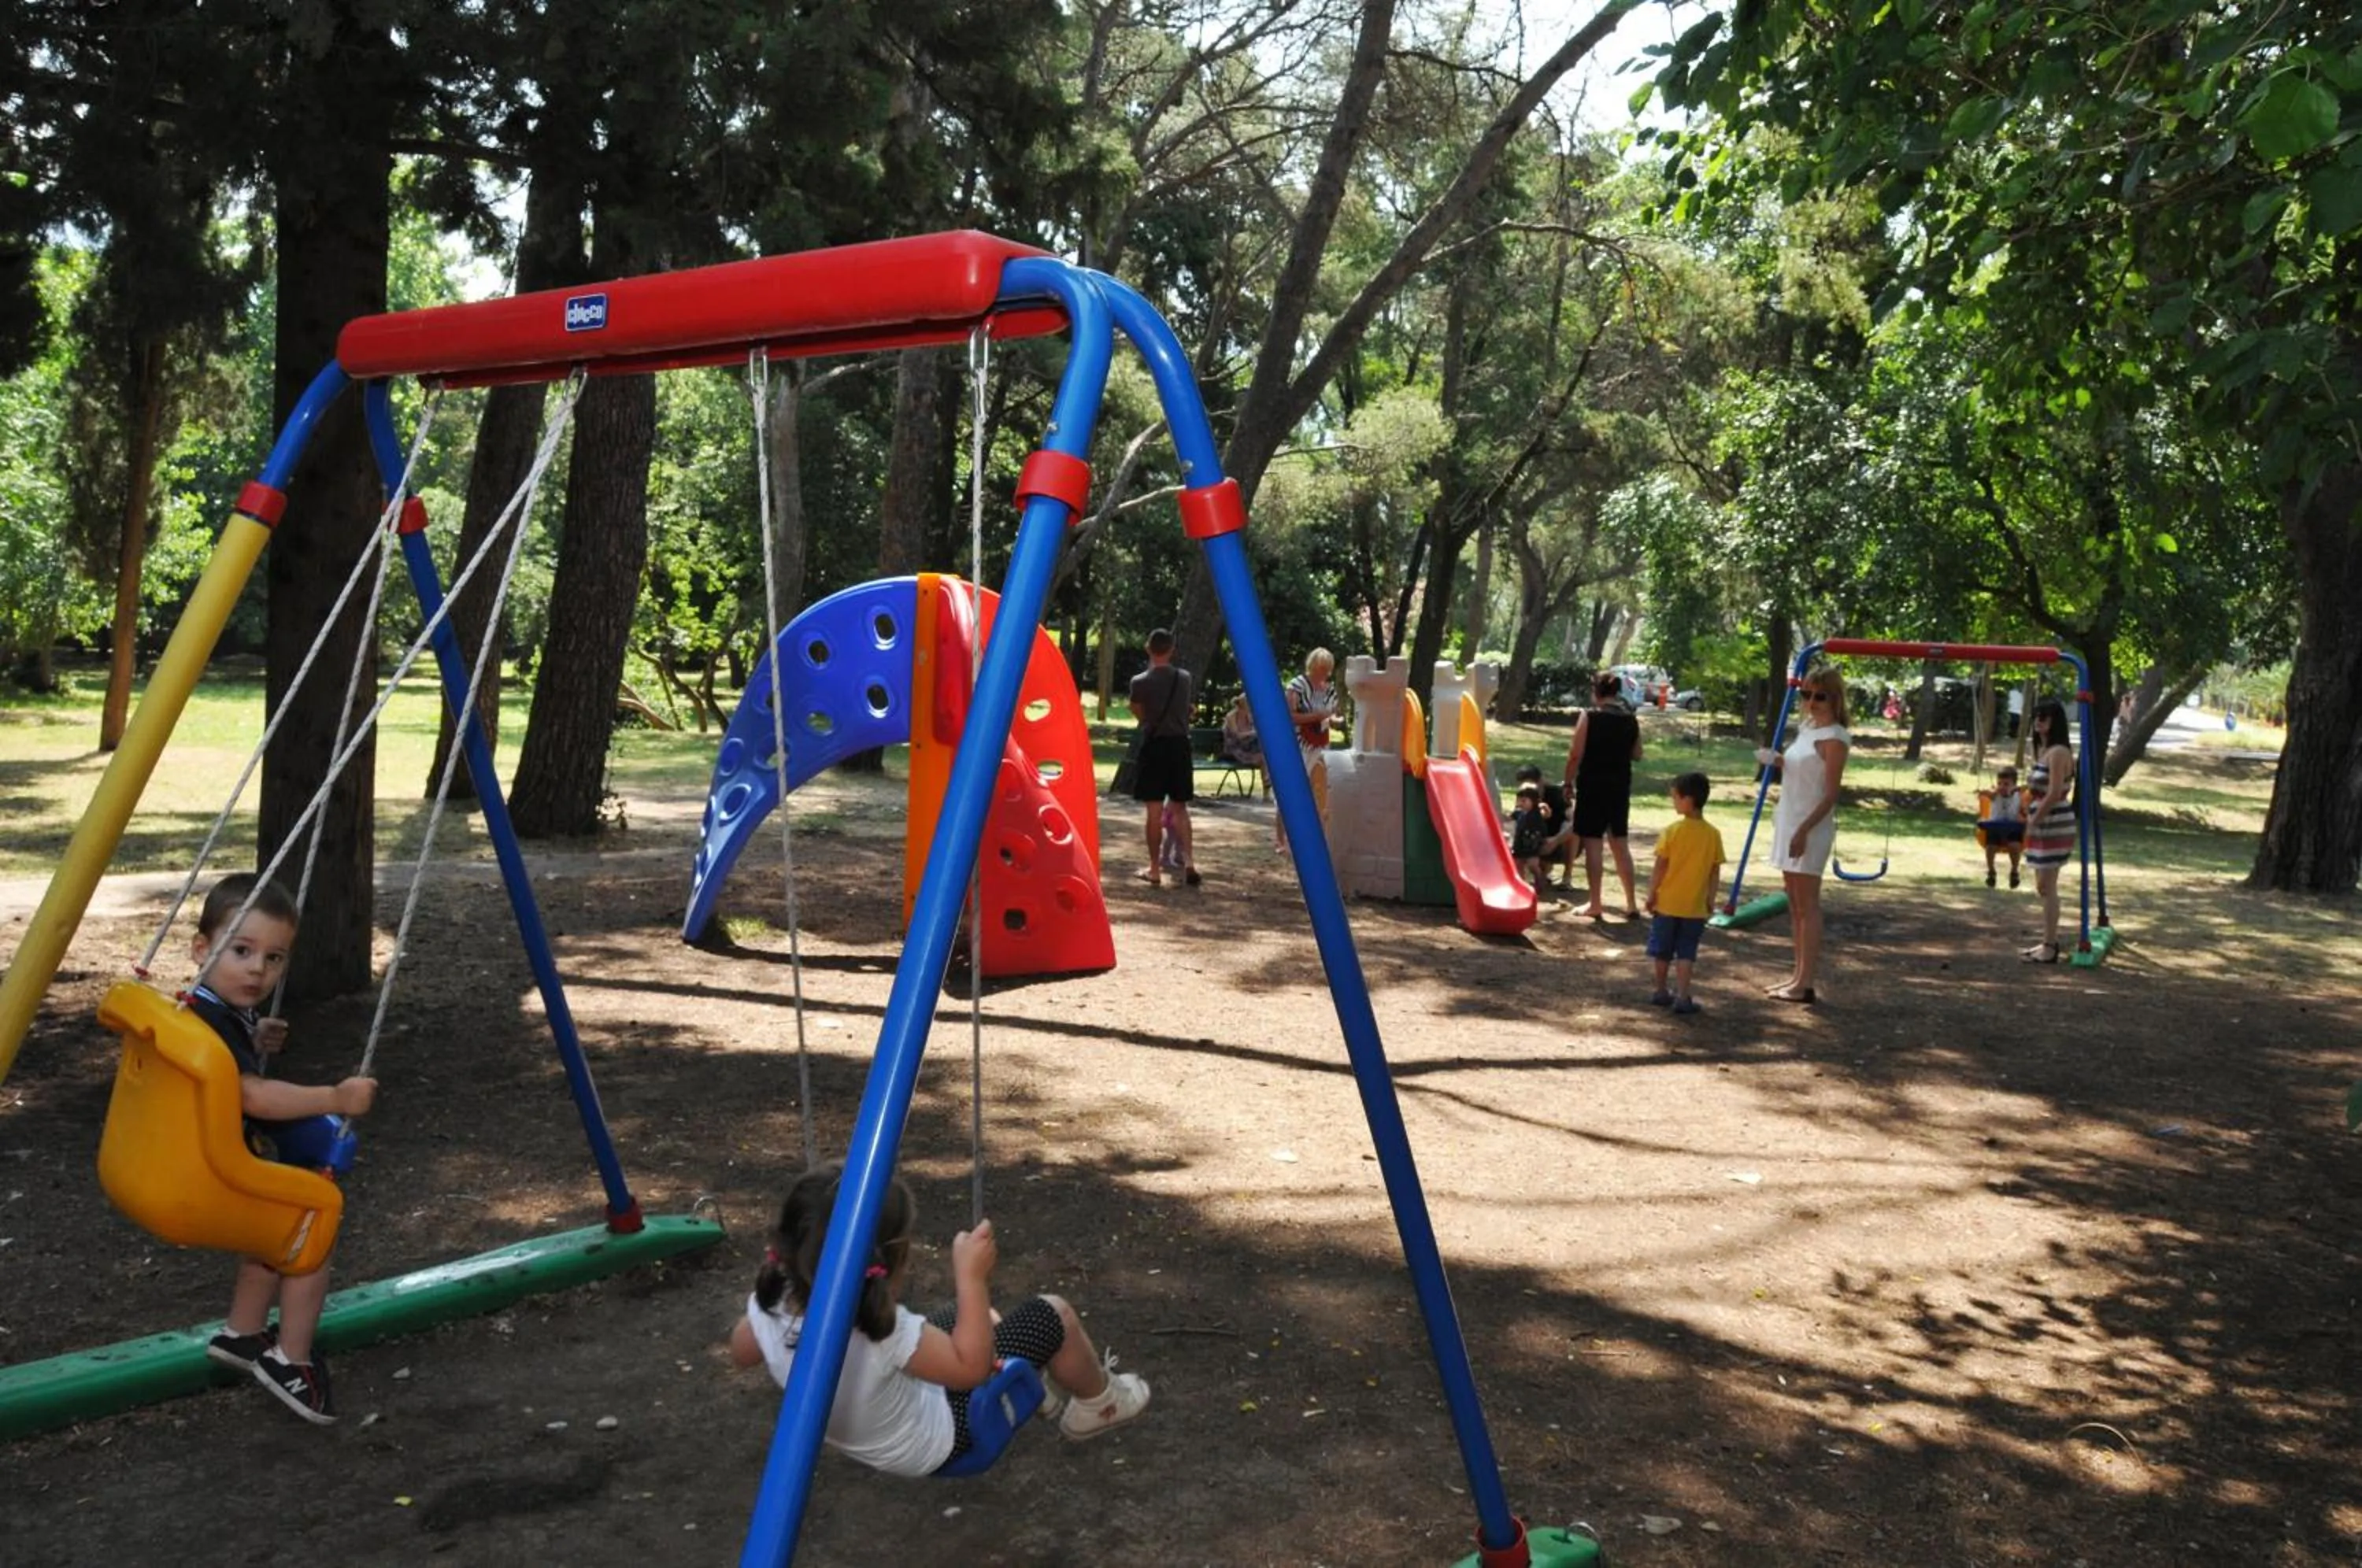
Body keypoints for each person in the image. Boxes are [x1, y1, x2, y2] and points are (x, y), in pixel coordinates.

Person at [729, 1165, 1151, 1473]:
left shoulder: (774, 1302)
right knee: (1053, 1314)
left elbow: (742, 1352)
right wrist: (970, 1276)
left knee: (980, 1319)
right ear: (890, 1260)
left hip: (860, 1432)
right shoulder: (889, 1331)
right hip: (940, 1440)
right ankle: (1099, 1405)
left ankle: (1034, 1381)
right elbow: (969, 1370)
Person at [190, 873, 379, 1425]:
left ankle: (244, 1334)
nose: (258, 969)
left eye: (273, 959)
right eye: (242, 950)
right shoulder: (211, 1022)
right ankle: (291, 1361)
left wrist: (252, 1037)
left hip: (195, 1156)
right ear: (202, 949)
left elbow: (223, 1064)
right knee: (310, 1219)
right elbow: (250, 1094)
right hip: (210, 1173)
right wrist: (334, 1095)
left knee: (278, 1216)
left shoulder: (202, 1008)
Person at [1753, 664, 1850, 1005]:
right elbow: (1801, 769)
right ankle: (1797, 976)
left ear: (1835, 698)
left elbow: (1830, 794)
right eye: (1806, 694)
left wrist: (1804, 830)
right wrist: (1778, 761)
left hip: (1810, 825)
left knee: (1807, 905)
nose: (1811, 702)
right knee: (1793, 904)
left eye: (1819, 696)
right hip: (1788, 818)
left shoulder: (1835, 737)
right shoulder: (1808, 729)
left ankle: (1806, 982)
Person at [1645, 771, 1726, 1016]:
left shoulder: (1672, 831)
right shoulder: (1713, 834)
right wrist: (1711, 898)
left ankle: (1660, 991)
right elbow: (1714, 871)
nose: (1674, 803)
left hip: (1667, 904)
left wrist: (1651, 894)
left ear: (1688, 800)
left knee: (1662, 950)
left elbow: (1661, 866)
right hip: (1695, 907)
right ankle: (1682, 996)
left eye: (1676, 798)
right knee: (1687, 951)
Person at [1563, 671, 1643, 919]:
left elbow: (1575, 753)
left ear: (1597, 692)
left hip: (1592, 786)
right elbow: (1638, 754)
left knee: (1593, 844)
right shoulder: (1630, 719)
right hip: (1619, 787)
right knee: (1620, 844)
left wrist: (1568, 782)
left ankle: (1595, 902)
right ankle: (1631, 903)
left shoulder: (1590, 717)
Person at [1127, 628, 1199, 886]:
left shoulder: (1140, 682)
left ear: (1148, 648)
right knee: (1180, 808)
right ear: (1172, 650)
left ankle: (1155, 868)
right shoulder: (1185, 678)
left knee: (1154, 811)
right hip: (1180, 746)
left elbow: (1138, 712)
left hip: (1154, 745)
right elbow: (1185, 709)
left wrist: (1150, 720)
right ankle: (1189, 861)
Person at [2020, 697, 2079, 963]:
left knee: (2048, 885)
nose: (2038, 721)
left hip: (2054, 823)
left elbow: (2055, 792)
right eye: (2036, 716)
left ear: (2055, 722)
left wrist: (2034, 821)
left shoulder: (2058, 752)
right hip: (2043, 821)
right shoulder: (2042, 751)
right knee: (2043, 886)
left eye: (2044, 717)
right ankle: (2048, 941)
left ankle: (2050, 945)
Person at [1277, 648, 1340, 852]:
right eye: (1321, 668)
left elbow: (1333, 715)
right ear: (1313, 665)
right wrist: (1317, 715)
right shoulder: (1297, 686)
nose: (1324, 673)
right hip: (1298, 745)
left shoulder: (1330, 689)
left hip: (1321, 744)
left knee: (1320, 791)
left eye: (1327, 669)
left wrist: (1335, 720)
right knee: (1291, 789)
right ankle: (1281, 840)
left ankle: (1316, 840)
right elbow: (1289, 717)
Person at [1511, 764, 1574, 889]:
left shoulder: (1557, 795)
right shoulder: (1524, 800)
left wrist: (1555, 841)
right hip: (1535, 844)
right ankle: (1539, 874)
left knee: (1574, 828)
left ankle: (1567, 877)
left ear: (1541, 781)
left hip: (1557, 842)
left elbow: (1575, 823)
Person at [1977, 764, 2027, 889]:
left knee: (2015, 847)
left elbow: (2028, 788)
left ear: (2014, 785)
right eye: (2000, 783)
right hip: (1995, 827)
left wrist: (2017, 791)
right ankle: (1991, 872)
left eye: (2006, 784)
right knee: (1990, 847)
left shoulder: (2019, 795)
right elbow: (1988, 794)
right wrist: (1983, 792)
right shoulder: (1995, 795)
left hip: (2013, 828)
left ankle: (2014, 871)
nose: (2002, 787)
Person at [1219, 691, 1269, 799]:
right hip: (1234, 749)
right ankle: (1267, 785)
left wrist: (1254, 733)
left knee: (1266, 755)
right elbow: (1237, 735)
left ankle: (1267, 787)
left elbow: (1253, 733)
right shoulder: (1231, 716)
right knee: (1263, 757)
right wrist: (1253, 733)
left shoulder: (1250, 716)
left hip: (1248, 747)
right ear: (1242, 704)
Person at [1509, 781, 1548, 888]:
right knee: (1518, 865)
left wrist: (1544, 807)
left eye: (1524, 801)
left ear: (1534, 802)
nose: (1520, 803)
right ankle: (1521, 885)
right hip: (1519, 844)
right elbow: (1507, 818)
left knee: (1532, 865)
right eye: (1519, 801)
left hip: (1532, 845)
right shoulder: (1518, 813)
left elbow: (1545, 820)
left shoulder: (1536, 814)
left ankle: (1539, 879)